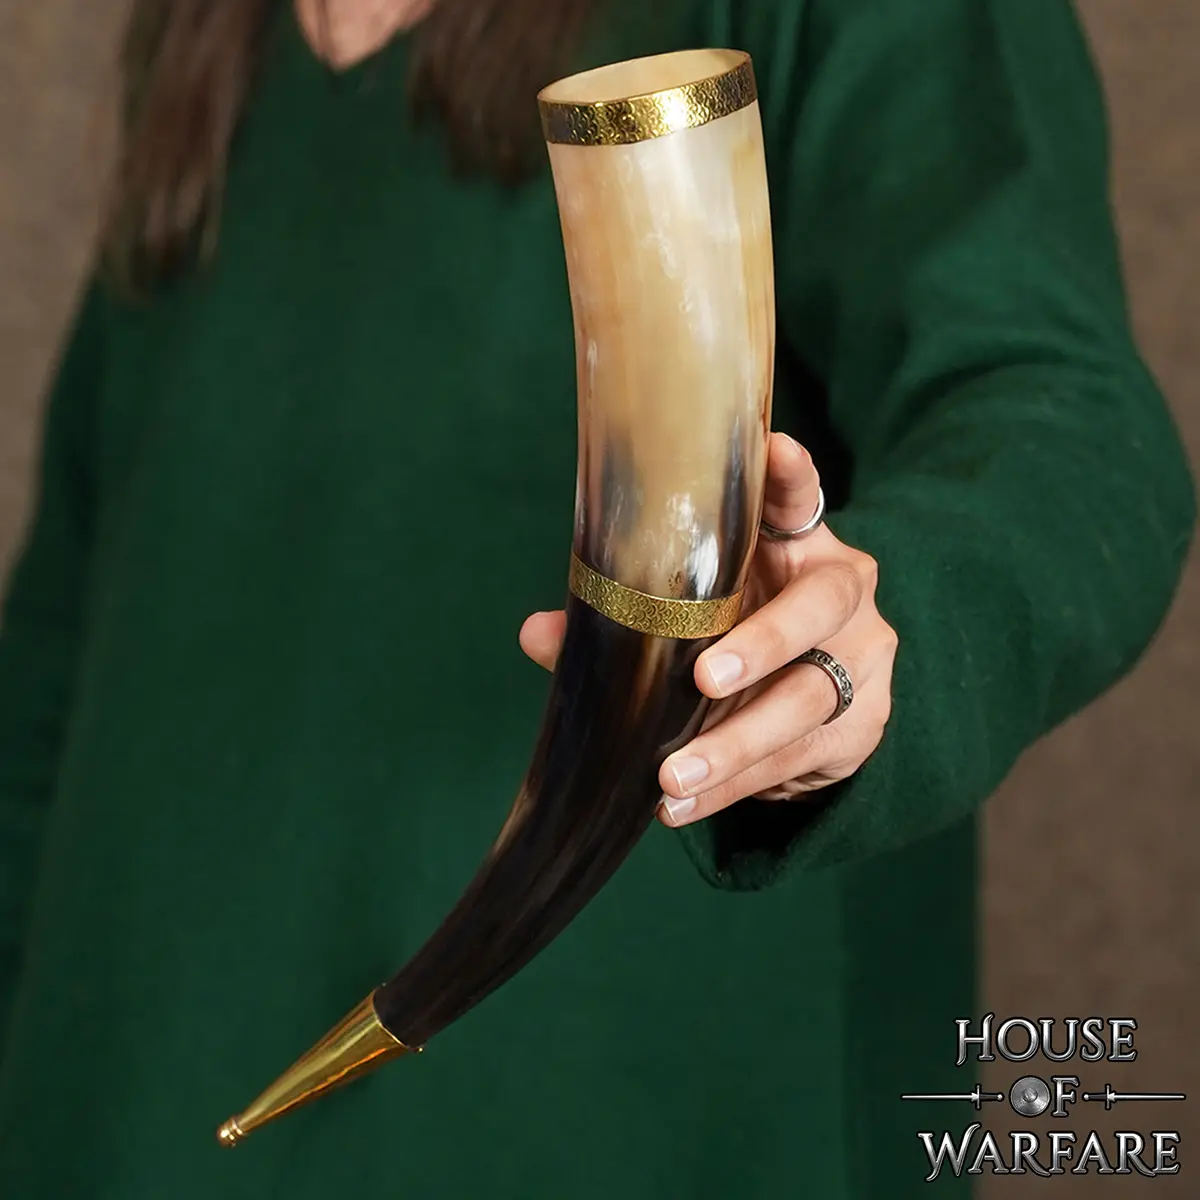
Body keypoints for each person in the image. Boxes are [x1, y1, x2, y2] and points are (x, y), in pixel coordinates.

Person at [0, 0, 1192, 1195]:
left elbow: (1069, 437)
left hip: (618, 1109)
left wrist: (884, 633)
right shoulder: (210, 29)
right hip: (115, 1094)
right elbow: (61, 651)